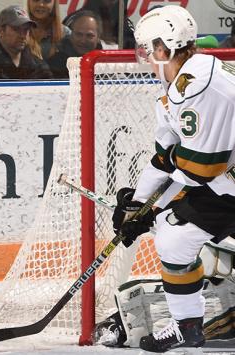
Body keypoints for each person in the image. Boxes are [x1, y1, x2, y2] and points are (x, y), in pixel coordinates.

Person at [112, 5, 235, 352]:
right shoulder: (176, 91)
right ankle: (187, 326)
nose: (148, 61)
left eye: (148, 51)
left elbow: (202, 167)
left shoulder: (204, 86)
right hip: (227, 186)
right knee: (173, 237)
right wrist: (139, 204)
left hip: (221, 180)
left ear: (163, 48)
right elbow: (164, 159)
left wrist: (157, 204)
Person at [47, 10, 102, 78]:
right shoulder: (55, 65)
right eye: (79, 34)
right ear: (71, 34)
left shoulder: (107, 64)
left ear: (98, 37)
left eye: (89, 35)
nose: (83, 41)